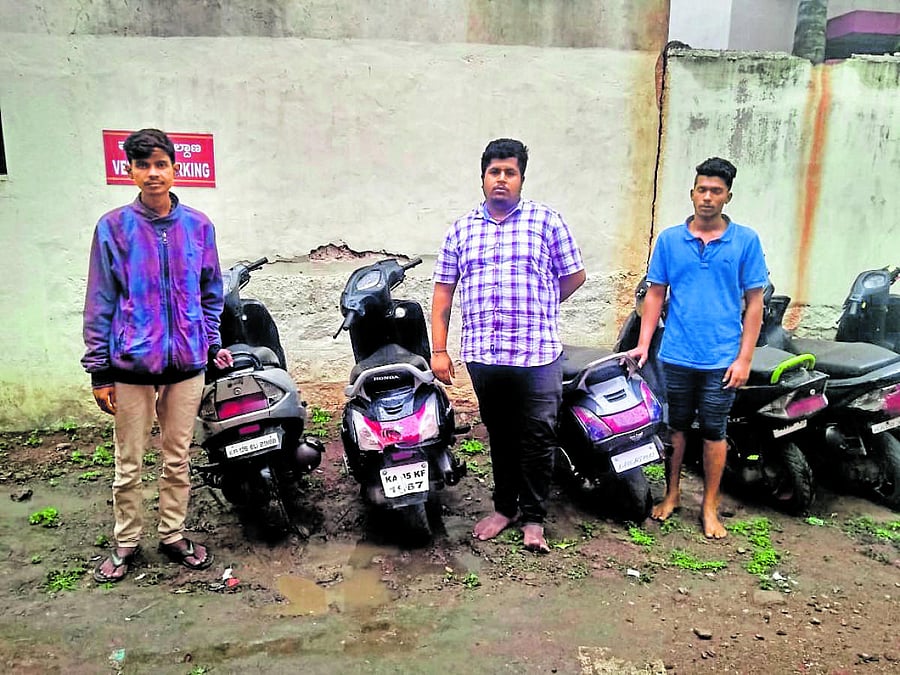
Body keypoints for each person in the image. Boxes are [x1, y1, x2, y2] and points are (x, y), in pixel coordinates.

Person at [82, 128, 233, 582]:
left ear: (174, 169)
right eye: (143, 165)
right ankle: (126, 541)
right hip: (131, 367)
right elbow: (100, 300)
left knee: (177, 456)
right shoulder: (113, 228)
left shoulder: (198, 227)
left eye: (160, 164)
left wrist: (208, 342)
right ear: (129, 171)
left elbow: (211, 291)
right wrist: (99, 370)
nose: (153, 174)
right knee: (128, 461)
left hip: (186, 365)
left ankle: (172, 534)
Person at [431, 138, 586, 553]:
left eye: (510, 172)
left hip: (537, 354)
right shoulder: (462, 230)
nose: (501, 179)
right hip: (485, 356)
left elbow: (574, 275)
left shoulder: (546, 222)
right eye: (494, 172)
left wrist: (543, 303)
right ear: (483, 178)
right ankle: (505, 508)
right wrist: (439, 349)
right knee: (500, 435)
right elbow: (444, 292)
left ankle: (534, 518)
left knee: (538, 436)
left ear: (521, 178)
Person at [628, 157, 768, 539]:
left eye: (716, 192)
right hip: (676, 353)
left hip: (722, 358)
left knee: (713, 430)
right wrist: (644, 344)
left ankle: (709, 506)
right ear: (692, 194)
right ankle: (671, 495)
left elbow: (755, 302)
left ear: (727, 197)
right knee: (675, 427)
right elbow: (656, 292)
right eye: (702, 190)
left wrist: (744, 359)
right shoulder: (671, 240)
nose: (707, 198)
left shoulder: (745, 241)